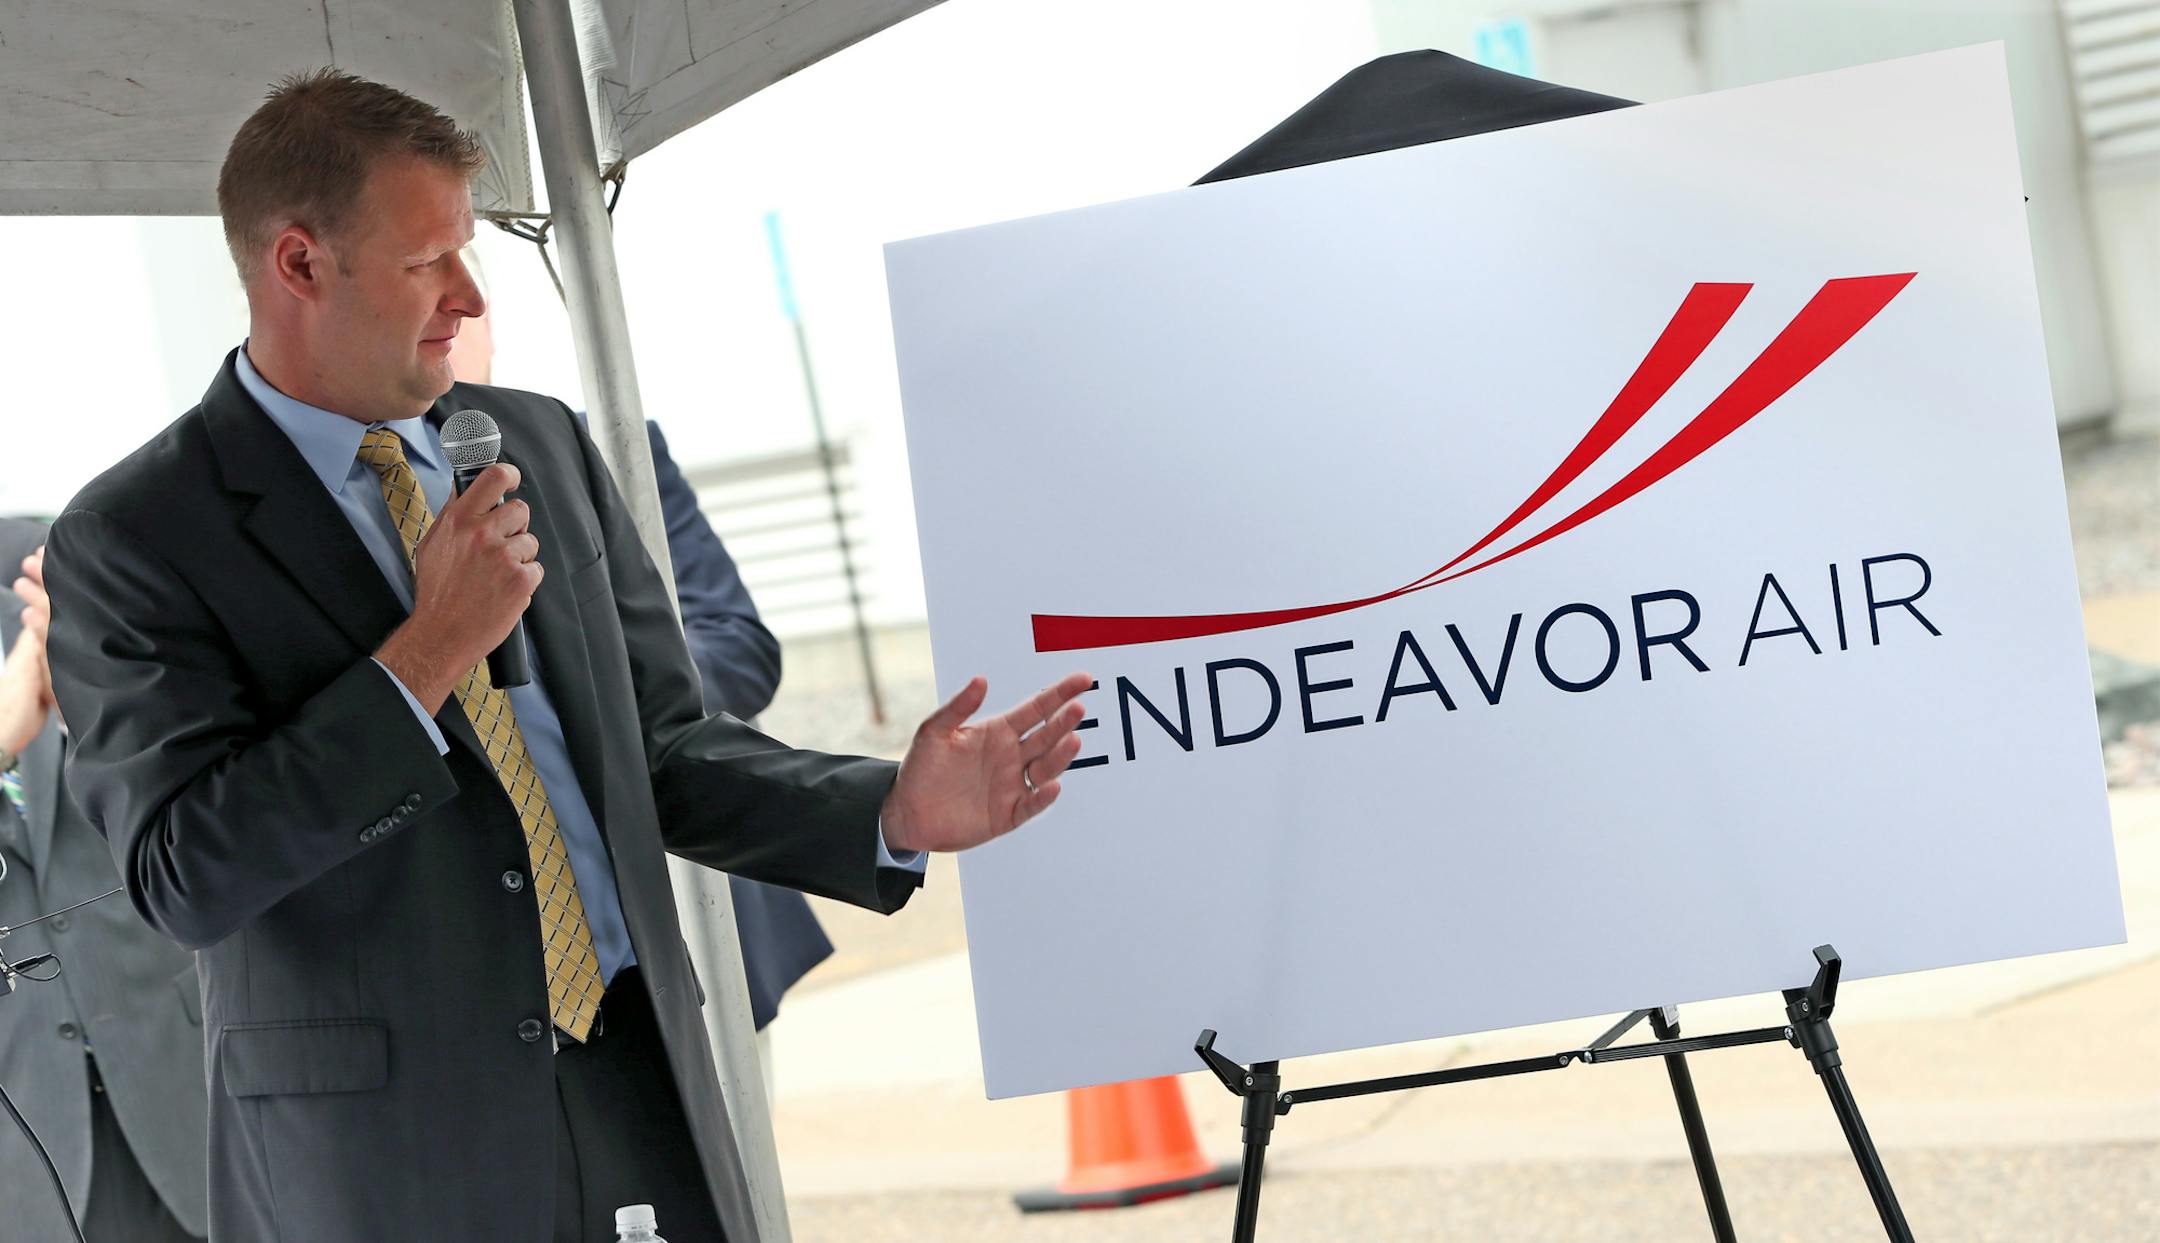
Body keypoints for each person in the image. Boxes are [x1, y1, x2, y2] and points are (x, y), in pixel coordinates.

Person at [42, 68, 1088, 1243]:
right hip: (387, 1155)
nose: (465, 293)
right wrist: (428, 651)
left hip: (637, 1076)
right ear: (298, 263)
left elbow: (665, 751)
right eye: (426, 260)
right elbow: (189, 873)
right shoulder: (134, 536)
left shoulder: (536, 438)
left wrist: (887, 806)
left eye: (465, 251)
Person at [448, 306, 833, 1071]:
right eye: (411, 275)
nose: (446, 315)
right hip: (481, 991)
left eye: (465, 298)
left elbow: (740, 643)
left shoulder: (602, 446)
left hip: (689, 930)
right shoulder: (350, 501)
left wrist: (605, 689)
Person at [1, 526, 208, 1241]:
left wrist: (97, 688)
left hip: (182, 1079)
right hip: (26, 1138)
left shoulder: (50, 580)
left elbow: (200, 784)